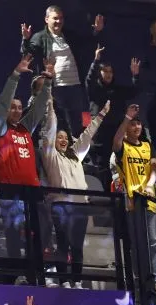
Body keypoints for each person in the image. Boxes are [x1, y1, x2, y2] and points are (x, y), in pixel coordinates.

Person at [40, 97, 107, 287]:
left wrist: (101, 115)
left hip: (80, 207)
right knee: (63, 244)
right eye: (59, 137)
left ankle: (76, 281)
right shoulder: (50, 156)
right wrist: (51, 108)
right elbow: (50, 130)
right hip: (61, 205)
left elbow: (87, 135)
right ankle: (63, 282)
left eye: (65, 138)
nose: (63, 140)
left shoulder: (75, 155)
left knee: (77, 247)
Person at [0, 56, 51, 259]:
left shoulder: (25, 128)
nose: (16, 110)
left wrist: (48, 81)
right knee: (14, 234)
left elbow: (40, 107)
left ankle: (38, 272)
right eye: (12, 107)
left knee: (41, 232)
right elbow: (3, 101)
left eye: (19, 107)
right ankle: (17, 274)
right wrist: (15, 76)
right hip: (10, 191)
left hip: (32, 190)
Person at [20, 6, 103, 135]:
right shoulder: (40, 37)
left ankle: (74, 153)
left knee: (76, 125)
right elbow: (28, 54)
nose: (58, 21)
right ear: (47, 19)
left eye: (60, 18)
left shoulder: (68, 35)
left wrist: (96, 31)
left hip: (74, 86)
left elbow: (85, 41)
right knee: (57, 126)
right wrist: (25, 39)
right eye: (55, 18)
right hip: (56, 88)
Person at [112, 103, 156, 293]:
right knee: (136, 242)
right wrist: (126, 117)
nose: (137, 127)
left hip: (149, 199)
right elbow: (116, 141)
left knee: (154, 240)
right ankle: (138, 278)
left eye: (138, 124)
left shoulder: (148, 146)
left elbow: (155, 168)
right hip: (132, 201)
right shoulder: (123, 147)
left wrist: (150, 183)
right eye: (132, 124)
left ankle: (155, 279)